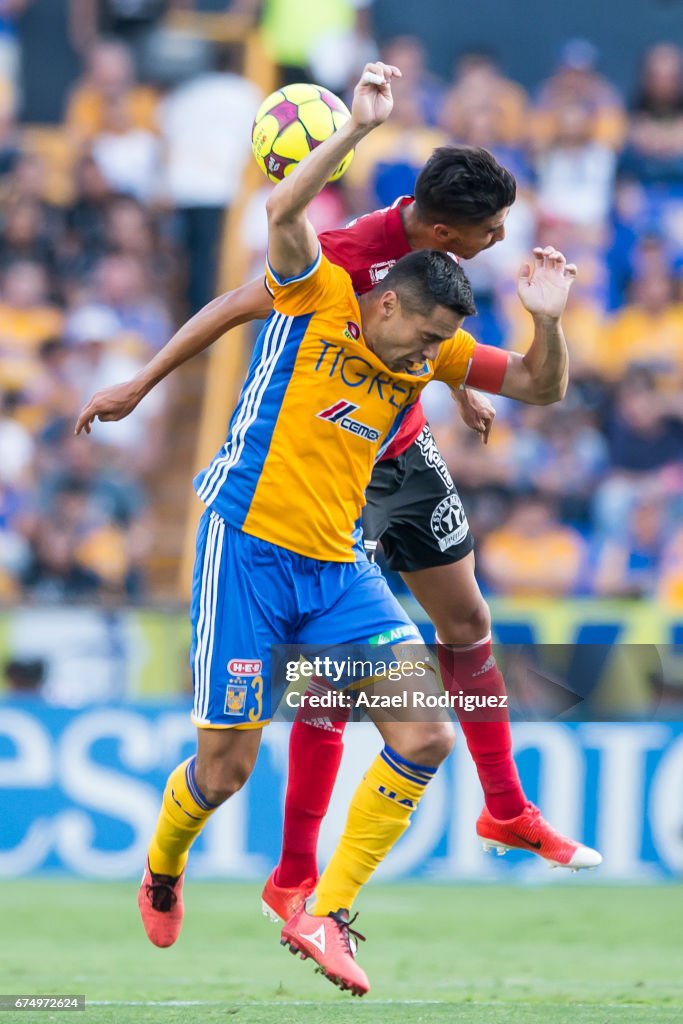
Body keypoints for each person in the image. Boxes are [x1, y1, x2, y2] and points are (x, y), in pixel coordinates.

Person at [79, 63, 582, 995]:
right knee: (223, 772)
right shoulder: (318, 289)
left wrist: (545, 325)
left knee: (425, 734)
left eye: (443, 353)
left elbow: (543, 386)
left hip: (338, 566)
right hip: (247, 552)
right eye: (426, 345)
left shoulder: (428, 348)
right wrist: (350, 132)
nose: (434, 363)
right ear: (382, 302)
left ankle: (322, 910)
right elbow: (277, 223)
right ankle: (162, 866)